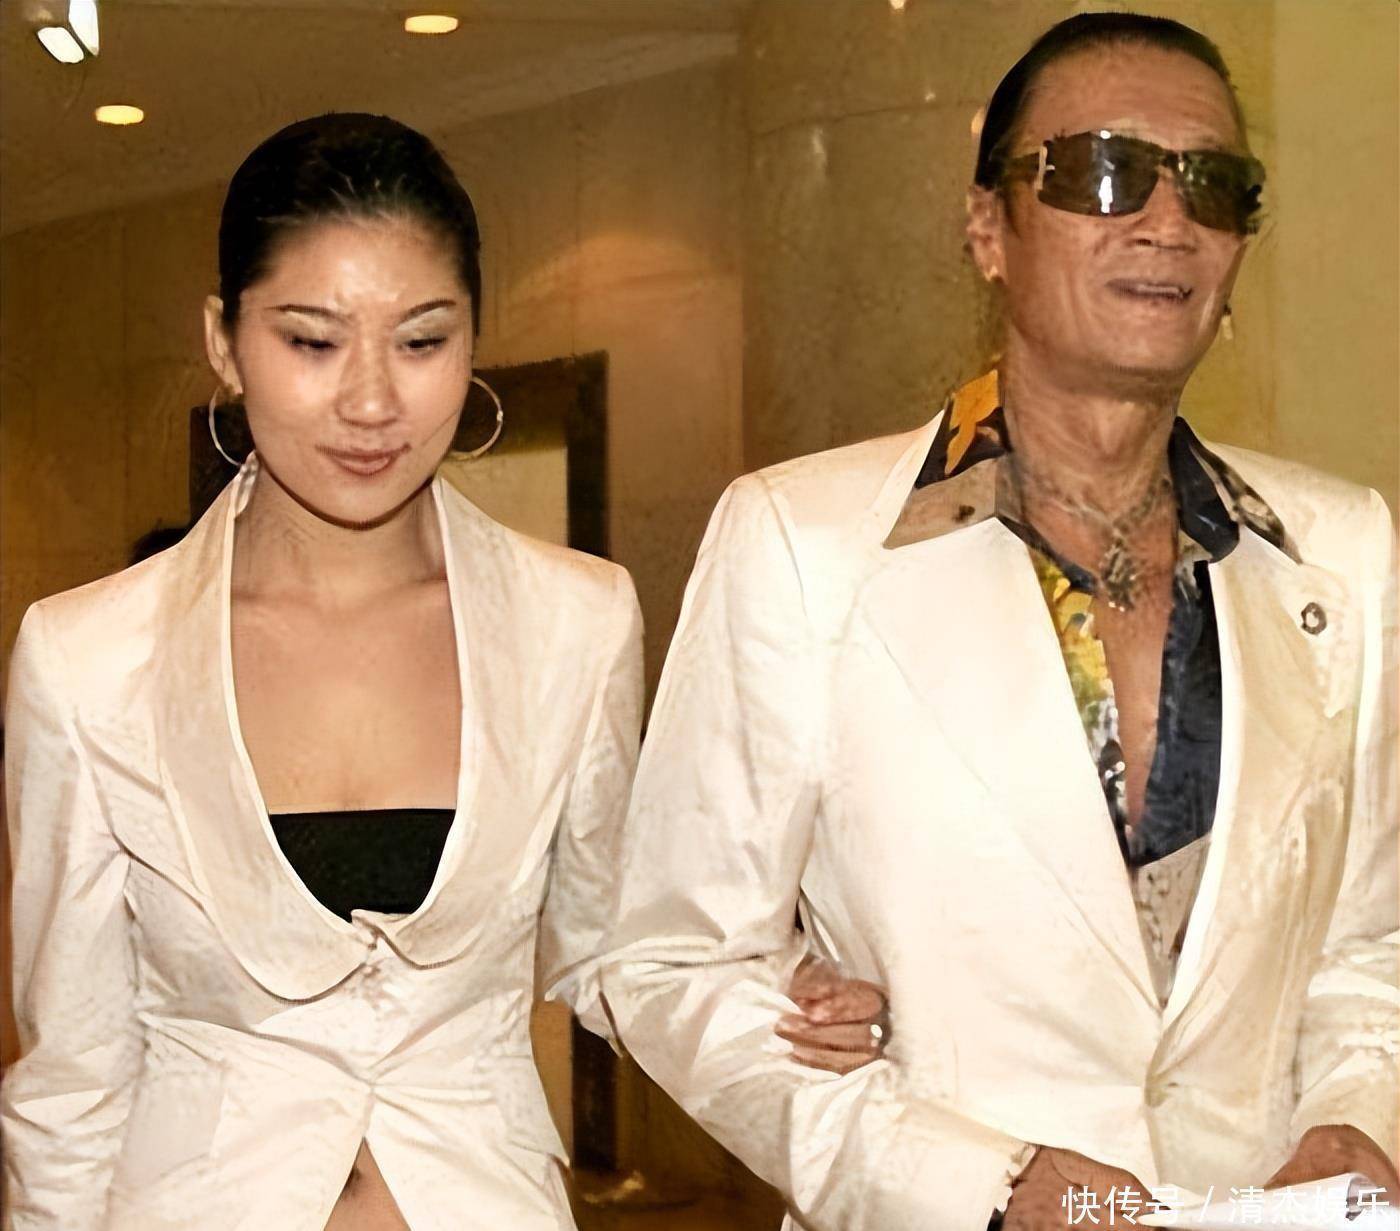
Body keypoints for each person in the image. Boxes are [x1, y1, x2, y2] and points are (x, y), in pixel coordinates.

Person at [1, 113, 881, 1231]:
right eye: (311, 342)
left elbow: (613, 949)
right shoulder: (87, 658)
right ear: (224, 341)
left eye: (421, 342)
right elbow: (71, 1080)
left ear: (472, 338)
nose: (372, 402)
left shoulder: (577, 621)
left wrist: (778, 996)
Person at [598, 13, 1398, 1231]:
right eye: (1101, 172)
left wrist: (1352, 1121)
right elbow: (672, 962)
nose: (1165, 220)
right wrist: (978, 1183)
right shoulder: (803, 543)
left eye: (1212, 184)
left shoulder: (1341, 550)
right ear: (988, 229)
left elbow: (1368, 942)